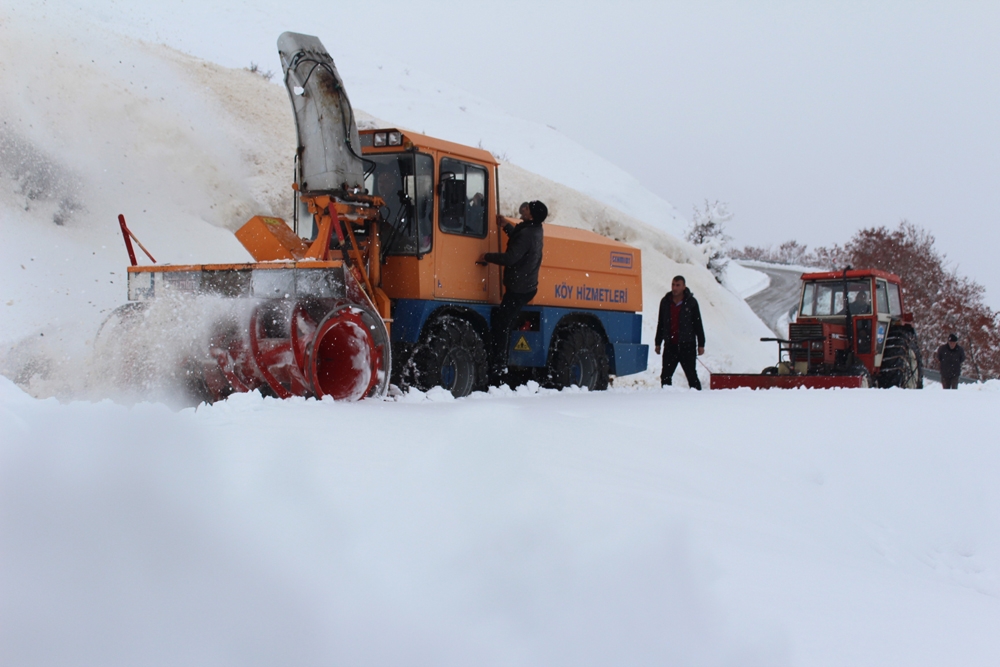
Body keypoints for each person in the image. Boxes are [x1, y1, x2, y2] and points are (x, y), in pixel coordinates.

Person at [482, 200, 547, 385]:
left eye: (527, 208)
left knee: (502, 324)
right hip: (525, 286)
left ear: (531, 215)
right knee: (505, 321)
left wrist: (486, 256)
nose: (523, 208)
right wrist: (506, 226)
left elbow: (511, 257)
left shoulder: (528, 233)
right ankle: (500, 363)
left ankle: (499, 368)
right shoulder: (534, 229)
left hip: (519, 289)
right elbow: (520, 242)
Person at [654, 275, 706, 390]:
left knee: (691, 376)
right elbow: (661, 323)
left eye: (678, 285)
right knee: (665, 376)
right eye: (673, 285)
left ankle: (698, 396)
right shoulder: (665, 302)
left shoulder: (691, 302)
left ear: (684, 287)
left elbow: (698, 324)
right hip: (670, 345)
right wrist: (658, 342)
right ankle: (667, 396)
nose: (675, 288)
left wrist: (701, 344)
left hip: (687, 345)